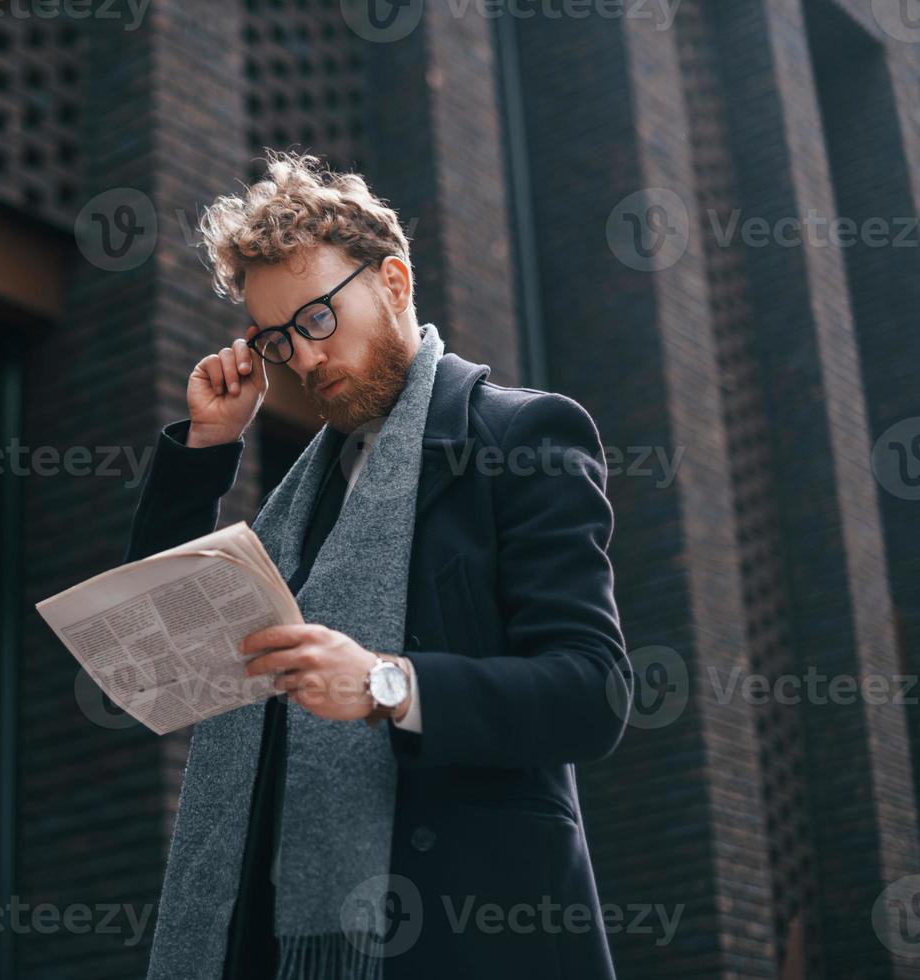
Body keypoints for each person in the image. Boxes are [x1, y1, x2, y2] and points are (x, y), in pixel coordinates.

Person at [125, 150, 632, 980]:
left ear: (393, 283)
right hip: (271, 938)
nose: (306, 359)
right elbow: (162, 651)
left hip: (459, 933)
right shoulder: (303, 498)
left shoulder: (521, 438)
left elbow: (592, 692)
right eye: (279, 340)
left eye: (318, 319)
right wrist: (208, 448)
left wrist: (385, 685)